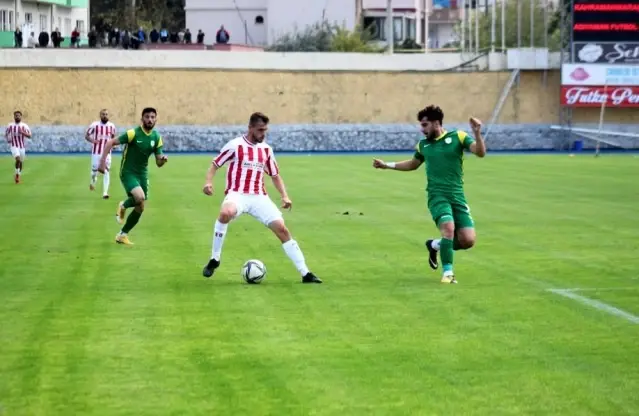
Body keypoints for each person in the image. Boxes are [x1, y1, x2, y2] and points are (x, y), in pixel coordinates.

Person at [201, 112, 322, 284]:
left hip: (259, 197)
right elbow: (215, 164)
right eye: (260, 130)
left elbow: (275, 175)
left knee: (283, 230)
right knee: (225, 213)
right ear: (250, 128)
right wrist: (208, 183)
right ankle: (215, 259)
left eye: (265, 130)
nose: (263, 134)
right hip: (238, 194)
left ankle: (306, 273)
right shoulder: (235, 145)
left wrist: (285, 196)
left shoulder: (266, 150)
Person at [372, 105, 486, 284]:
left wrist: (478, 133)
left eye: (425, 125)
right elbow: (412, 164)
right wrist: (387, 165)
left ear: (436, 123)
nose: (422, 129)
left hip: (457, 196)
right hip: (437, 196)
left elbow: (480, 153)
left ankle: (435, 245)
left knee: (467, 240)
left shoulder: (458, 137)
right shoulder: (423, 145)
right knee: (448, 228)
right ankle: (448, 273)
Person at [97, 107, 168, 245]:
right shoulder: (133, 133)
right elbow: (110, 142)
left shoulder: (156, 137)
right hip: (128, 172)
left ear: (156, 119)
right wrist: (102, 162)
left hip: (142, 173)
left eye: (153, 117)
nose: (150, 119)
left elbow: (158, 162)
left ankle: (122, 235)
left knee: (140, 206)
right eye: (147, 117)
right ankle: (123, 205)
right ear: (142, 119)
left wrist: (163, 160)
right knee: (139, 197)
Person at [85, 109, 117, 199]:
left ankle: (105, 193)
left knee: (106, 171)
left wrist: (113, 145)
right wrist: (93, 141)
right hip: (96, 152)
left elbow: (113, 138)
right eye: (103, 114)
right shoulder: (94, 125)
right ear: (100, 115)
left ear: (108, 115)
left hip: (107, 153)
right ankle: (92, 181)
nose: (105, 116)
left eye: (106, 114)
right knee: (94, 171)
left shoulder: (112, 126)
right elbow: (86, 136)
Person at [5, 110, 32, 184]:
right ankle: (17, 176)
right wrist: (8, 140)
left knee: (21, 162)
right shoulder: (10, 125)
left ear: (21, 116)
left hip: (22, 147)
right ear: (14, 117)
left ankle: (18, 174)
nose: (17, 117)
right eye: (16, 115)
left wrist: (22, 132)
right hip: (14, 146)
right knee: (18, 159)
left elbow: (30, 136)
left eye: (18, 115)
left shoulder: (24, 126)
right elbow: (6, 134)